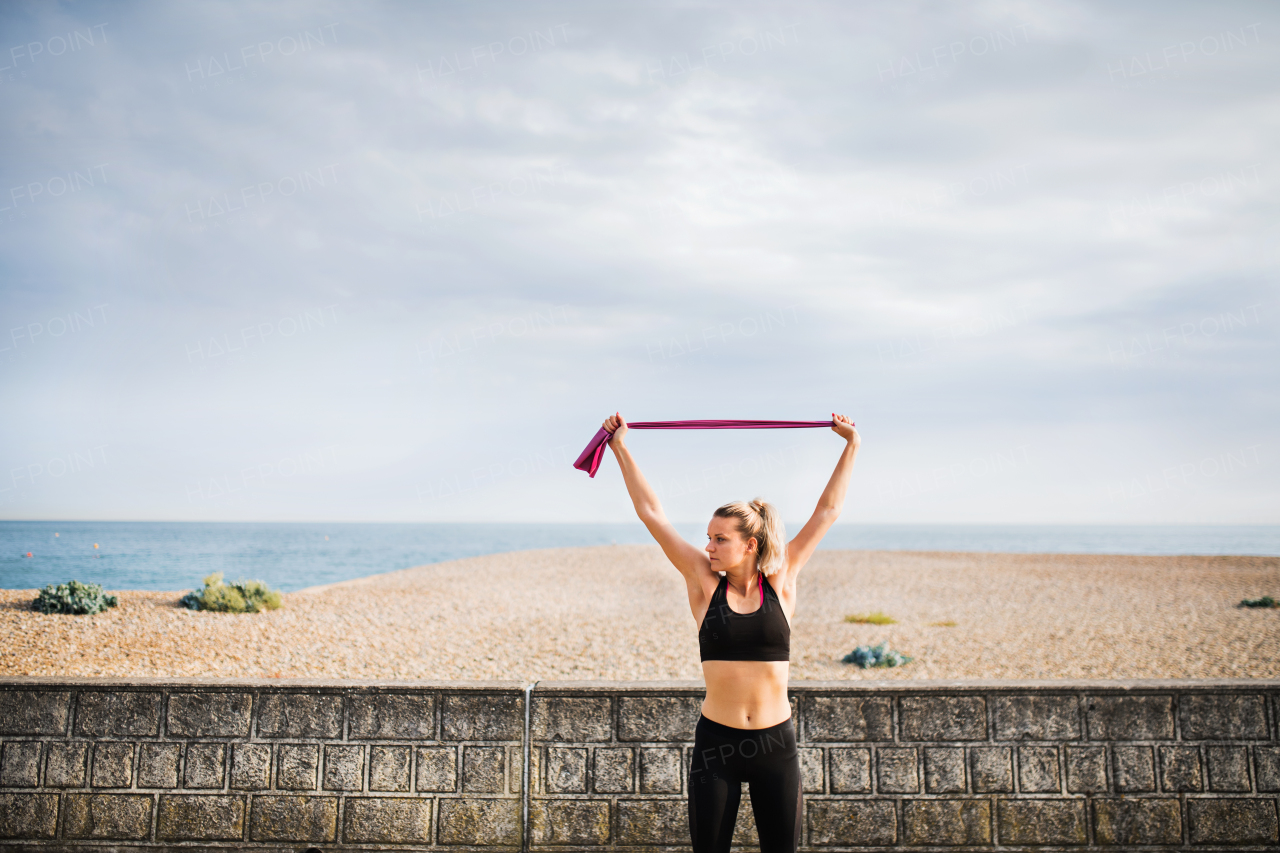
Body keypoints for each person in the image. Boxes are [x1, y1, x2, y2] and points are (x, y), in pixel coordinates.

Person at [601, 412, 860, 853]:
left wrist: (851, 444)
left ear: (750, 544)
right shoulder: (704, 584)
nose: (708, 546)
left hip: (776, 743)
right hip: (716, 744)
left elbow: (828, 511)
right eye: (708, 536)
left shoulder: (781, 582)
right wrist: (620, 448)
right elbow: (651, 514)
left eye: (719, 538)